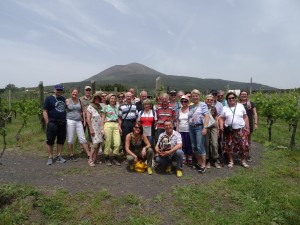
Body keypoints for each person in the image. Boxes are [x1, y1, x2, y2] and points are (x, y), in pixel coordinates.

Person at [220, 92, 250, 168]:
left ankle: (243, 160)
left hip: (241, 130)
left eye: (233, 98)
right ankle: (231, 160)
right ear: (227, 100)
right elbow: (222, 118)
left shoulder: (240, 106)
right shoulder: (224, 108)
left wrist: (248, 127)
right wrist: (221, 126)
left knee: (244, 146)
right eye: (229, 98)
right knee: (229, 146)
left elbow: (245, 117)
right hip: (230, 131)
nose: (231, 99)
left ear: (235, 98)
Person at [43, 84, 67, 165]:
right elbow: (45, 111)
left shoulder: (63, 99)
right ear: (54, 90)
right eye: (58, 90)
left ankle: (59, 156)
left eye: (60, 90)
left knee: (61, 140)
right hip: (52, 123)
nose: (59, 91)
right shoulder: (49, 98)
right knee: (50, 140)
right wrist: (47, 122)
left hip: (62, 123)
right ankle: (50, 157)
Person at [188, 89, 209, 174]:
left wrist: (205, 127)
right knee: (194, 146)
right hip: (191, 127)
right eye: (193, 96)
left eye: (196, 96)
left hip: (199, 127)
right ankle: (199, 162)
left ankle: (203, 165)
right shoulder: (191, 106)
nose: (195, 97)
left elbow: (206, 116)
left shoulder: (202, 105)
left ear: (199, 96)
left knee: (200, 146)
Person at [65, 88, 90, 161]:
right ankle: (71, 154)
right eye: (73, 92)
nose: (75, 94)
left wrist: (84, 121)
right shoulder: (67, 100)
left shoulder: (80, 101)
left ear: (78, 94)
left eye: (76, 93)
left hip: (79, 121)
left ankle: (88, 154)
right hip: (70, 120)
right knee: (70, 138)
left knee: (82, 138)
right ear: (71, 93)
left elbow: (83, 111)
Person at [101, 93, 121, 166]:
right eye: (111, 98)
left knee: (117, 142)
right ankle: (106, 158)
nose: (113, 100)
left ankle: (115, 157)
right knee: (108, 141)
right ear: (109, 99)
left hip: (116, 124)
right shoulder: (106, 107)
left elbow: (118, 118)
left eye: (114, 99)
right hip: (108, 124)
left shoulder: (116, 107)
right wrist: (102, 128)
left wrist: (119, 126)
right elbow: (102, 118)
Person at [239, 90, 258, 162]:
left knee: (248, 140)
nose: (243, 95)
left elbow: (255, 114)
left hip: (249, 123)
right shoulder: (238, 104)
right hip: (240, 123)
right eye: (242, 94)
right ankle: (242, 152)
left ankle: (248, 154)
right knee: (240, 139)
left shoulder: (251, 103)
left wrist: (255, 123)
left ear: (247, 95)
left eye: (245, 94)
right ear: (240, 95)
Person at [86, 92, 103, 167]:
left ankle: (95, 159)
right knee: (94, 144)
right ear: (93, 99)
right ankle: (90, 160)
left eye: (98, 98)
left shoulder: (100, 107)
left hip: (100, 128)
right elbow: (88, 119)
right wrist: (90, 128)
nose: (97, 99)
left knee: (99, 143)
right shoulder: (90, 107)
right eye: (95, 98)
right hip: (94, 127)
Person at [204, 94, 221, 169]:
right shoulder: (202, 107)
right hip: (205, 127)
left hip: (213, 127)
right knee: (206, 144)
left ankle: (215, 159)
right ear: (205, 100)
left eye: (211, 100)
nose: (209, 101)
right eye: (208, 99)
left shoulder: (214, 108)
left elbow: (216, 118)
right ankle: (207, 160)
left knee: (214, 144)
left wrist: (217, 129)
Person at [176, 95, 193, 166]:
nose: (183, 102)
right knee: (182, 144)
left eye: (185, 101)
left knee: (189, 144)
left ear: (188, 101)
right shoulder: (179, 110)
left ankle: (189, 157)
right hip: (181, 129)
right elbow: (178, 120)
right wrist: (177, 129)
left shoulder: (190, 109)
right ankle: (183, 157)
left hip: (188, 130)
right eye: (182, 101)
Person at [79, 86, 92, 155]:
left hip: (91, 119)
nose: (88, 91)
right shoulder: (80, 99)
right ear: (84, 91)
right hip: (83, 118)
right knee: (82, 133)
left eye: (89, 90)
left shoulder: (93, 98)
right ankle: (82, 147)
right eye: (87, 90)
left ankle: (91, 146)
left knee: (91, 133)